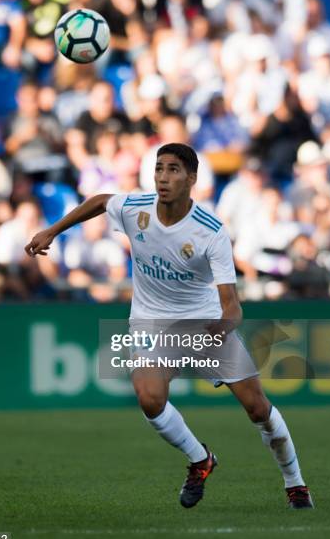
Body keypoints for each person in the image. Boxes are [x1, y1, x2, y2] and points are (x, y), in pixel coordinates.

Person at [25, 142, 313, 510]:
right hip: (152, 322)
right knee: (148, 397)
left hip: (204, 322)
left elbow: (233, 307)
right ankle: (200, 460)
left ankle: (296, 484)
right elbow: (100, 201)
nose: (163, 177)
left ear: (191, 179)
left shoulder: (210, 232)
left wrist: (223, 328)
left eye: (173, 169)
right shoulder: (137, 208)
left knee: (257, 408)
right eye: (159, 168)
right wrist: (53, 230)